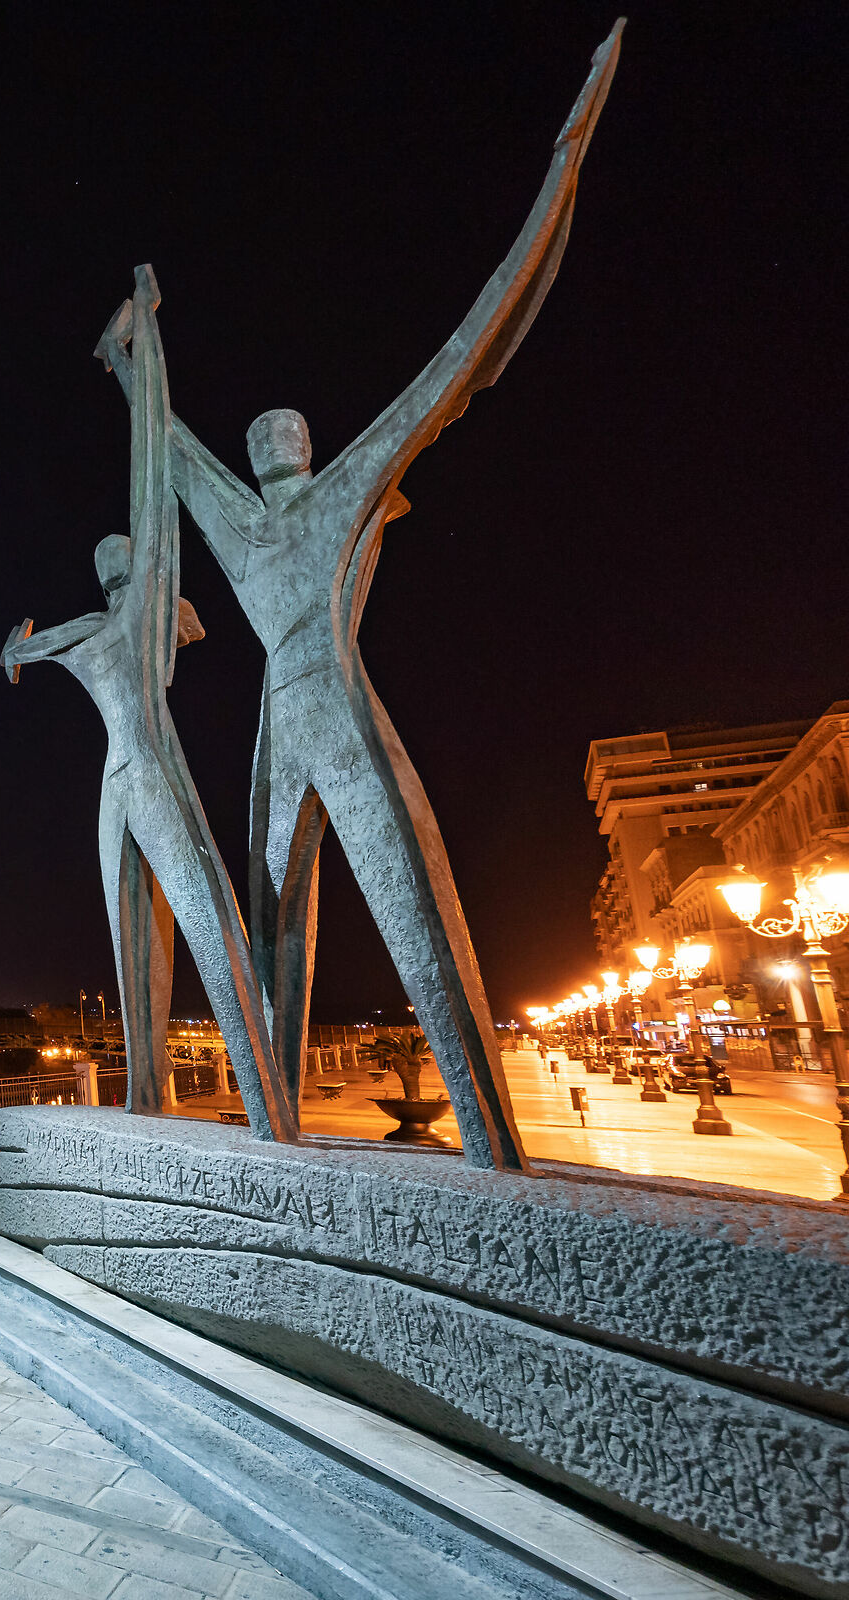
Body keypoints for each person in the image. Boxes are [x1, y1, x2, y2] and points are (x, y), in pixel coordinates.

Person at [93, 24, 622, 1171]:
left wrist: (564, 167)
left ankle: (481, 1145)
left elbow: (460, 352)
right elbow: (178, 447)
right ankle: (329, 1132)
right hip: (296, 718)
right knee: (306, 924)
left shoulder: (307, 503)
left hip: (313, 705)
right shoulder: (288, 504)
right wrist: (139, 354)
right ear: (296, 448)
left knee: (386, 910)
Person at [2, 266, 294, 1141]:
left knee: (141, 934)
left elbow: (24, 647)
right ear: (136, 564)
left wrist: (18, 649)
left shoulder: (92, 626)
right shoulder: (148, 605)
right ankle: (260, 1103)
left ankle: (148, 1092)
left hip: (114, 777)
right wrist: (145, 339)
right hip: (151, 765)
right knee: (204, 921)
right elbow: (153, 476)